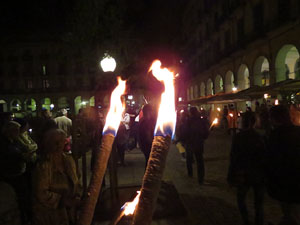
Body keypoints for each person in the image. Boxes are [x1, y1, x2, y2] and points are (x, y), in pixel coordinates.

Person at [32, 129, 82, 225]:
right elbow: (41, 192)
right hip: (52, 214)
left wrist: (77, 195)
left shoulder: (68, 160)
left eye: (61, 141)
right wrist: (62, 201)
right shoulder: (44, 165)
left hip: (70, 211)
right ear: (48, 144)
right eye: (55, 142)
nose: (59, 145)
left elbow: (77, 179)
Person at [227, 111, 266, 225]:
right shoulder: (261, 136)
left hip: (243, 173)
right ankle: (259, 221)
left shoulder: (239, 137)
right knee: (258, 202)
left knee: (241, 198)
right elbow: (265, 156)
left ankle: (246, 220)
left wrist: (231, 175)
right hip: (258, 173)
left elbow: (233, 157)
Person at [266, 105, 300, 225]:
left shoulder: (276, 135)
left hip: (285, 181)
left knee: (290, 213)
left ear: (275, 119)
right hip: (295, 180)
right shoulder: (297, 131)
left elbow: (272, 160)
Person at [0, 121, 29, 224]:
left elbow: (26, 148)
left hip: (20, 173)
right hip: (11, 176)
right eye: (16, 130)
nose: (18, 132)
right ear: (9, 131)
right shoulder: (4, 144)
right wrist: (21, 156)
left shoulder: (15, 141)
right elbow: (8, 157)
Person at [185, 107, 209, 184]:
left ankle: (190, 174)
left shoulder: (188, 121)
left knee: (189, 159)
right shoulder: (201, 121)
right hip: (198, 143)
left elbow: (185, 132)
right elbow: (205, 133)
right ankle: (200, 179)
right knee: (199, 161)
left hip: (190, 143)